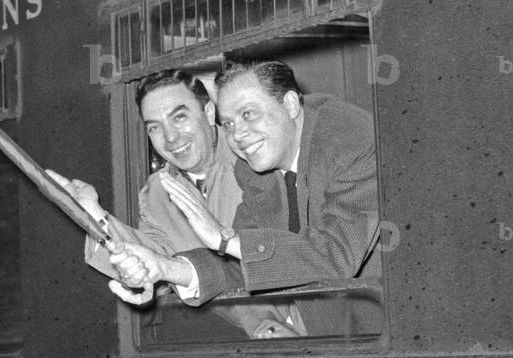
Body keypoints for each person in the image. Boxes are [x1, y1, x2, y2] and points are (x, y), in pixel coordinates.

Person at [109, 60, 382, 338]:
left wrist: (225, 239)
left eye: (248, 113)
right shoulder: (252, 166)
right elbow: (244, 261)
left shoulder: (352, 141)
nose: (237, 135)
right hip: (328, 336)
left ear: (289, 105)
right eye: (228, 123)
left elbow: (336, 254)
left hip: (396, 335)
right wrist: (168, 268)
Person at [47, 68, 293, 338]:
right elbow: (155, 262)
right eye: (155, 127)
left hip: (307, 324)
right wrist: (93, 213)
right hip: (240, 339)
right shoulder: (157, 192)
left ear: (209, 113)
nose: (170, 137)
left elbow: (276, 254)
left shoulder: (253, 153)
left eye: (179, 117)